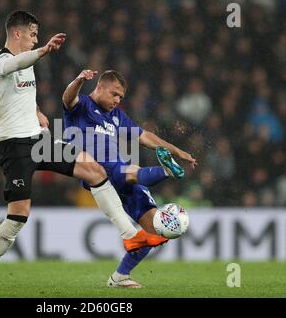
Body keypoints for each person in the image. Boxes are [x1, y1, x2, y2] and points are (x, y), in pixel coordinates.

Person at [0, 10, 165, 291]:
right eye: (32, 34)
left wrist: (37, 111)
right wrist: (44, 50)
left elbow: (18, 95)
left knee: (94, 169)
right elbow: (16, 65)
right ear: (17, 33)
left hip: (39, 140)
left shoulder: (25, 65)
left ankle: (131, 235)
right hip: (14, 146)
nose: (35, 39)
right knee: (18, 216)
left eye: (37, 35)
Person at [62, 69, 197, 288]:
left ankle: (120, 277)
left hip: (122, 174)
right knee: (124, 169)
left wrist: (176, 150)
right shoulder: (83, 105)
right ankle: (165, 171)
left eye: (121, 97)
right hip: (94, 170)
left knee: (156, 231)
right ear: (99, 87)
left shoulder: (116, 116)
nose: (117, 100)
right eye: (114, 94)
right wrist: (78, 80)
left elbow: (144, 137)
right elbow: (67, 98)